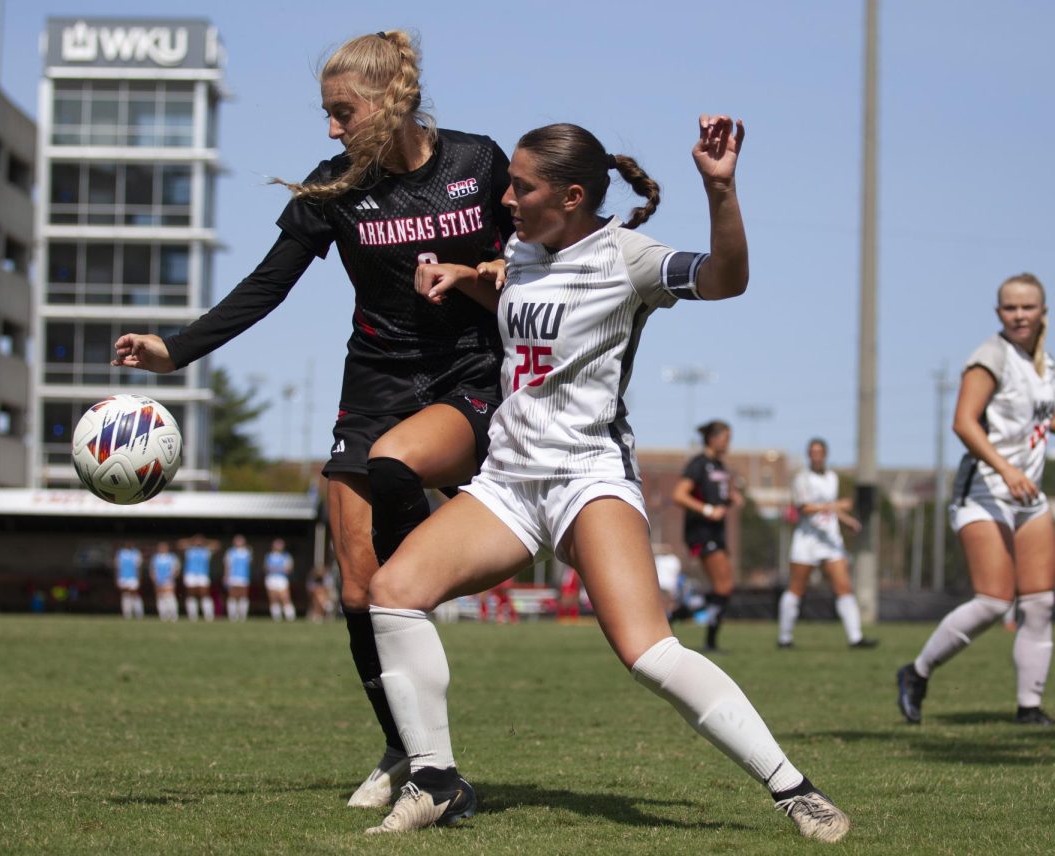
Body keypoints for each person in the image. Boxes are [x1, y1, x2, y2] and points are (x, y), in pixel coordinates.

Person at [365, 119, 848, 842]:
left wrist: (721, 191)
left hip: (587, 475)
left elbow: (727, 280)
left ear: (573, 194)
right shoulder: (522, 250)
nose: (507, 198)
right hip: (508, 480)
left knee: (648, 652)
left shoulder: (628, 257)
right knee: (393, 594)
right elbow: (526, 317)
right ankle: (436, 781)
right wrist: (469, 278)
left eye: (521, 186)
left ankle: (794, 789)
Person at [112, 30, 512, 808]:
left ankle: (463, 544)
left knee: (399, 473)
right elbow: (267, 286)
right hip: (375, 381)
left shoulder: (477, 163)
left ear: (390, 101)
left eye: (342, 111)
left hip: (468, 372)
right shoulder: (334, 190)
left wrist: (492, 272)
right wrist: (176, 350)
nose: (331, 128)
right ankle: (408, 749)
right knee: (358, 584)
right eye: (327, 113)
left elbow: (529, 258)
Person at [898, 273, 1055, 726]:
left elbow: (1037, 427)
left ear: (1043, 312)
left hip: (1029, 494)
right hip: (985, 490)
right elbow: (964, 423)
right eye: (1011, 308)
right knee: (993, 601)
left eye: (1028, 307)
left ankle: (1029, 708)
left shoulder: (1043, 366)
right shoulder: (992, 356)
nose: (1020, 315)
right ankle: (916, 673)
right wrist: (1006, 469)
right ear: (998, 313)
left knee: (1041, 602)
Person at [777, 438, 876, 649]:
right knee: (796, 588)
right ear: (808, 455)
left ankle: (855, 638)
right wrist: (836, 504)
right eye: (812, 452)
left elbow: (831, 509)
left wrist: (847, 520)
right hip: (807, 539)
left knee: (844, 587)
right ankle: (784, 638)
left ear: (825, 454)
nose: (816, 455)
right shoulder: (802, 478)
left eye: (819, 452)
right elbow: (803, 508)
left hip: (830, 540)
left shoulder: (832, 478)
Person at [672, 420, 744, 651]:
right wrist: (707, 510)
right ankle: (677, 617)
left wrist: (732, 497)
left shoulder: (720, 466)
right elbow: (679, 495)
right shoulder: (698, 464)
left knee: (724, 587)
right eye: (726, 438)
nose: (728, 443)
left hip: (716, 532)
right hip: (700, 532)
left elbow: (719, 495)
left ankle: (699, 632)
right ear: (713, 438)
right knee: (724, 586)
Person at [178, 535, 220, 621]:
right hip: (191, 575)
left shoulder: (206, 551)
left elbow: (217, 545)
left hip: (202, 575)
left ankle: (208, 616)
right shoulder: (189, 551)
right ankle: (192, 616)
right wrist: (192, 540)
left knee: (205, 595)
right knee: (191, 595)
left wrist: (204, 541)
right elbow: (179, 544)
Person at [263, 537, 296, 622]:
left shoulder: (286, 556)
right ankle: (276, 617)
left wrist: (278, 569)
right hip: (271, 578)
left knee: (285, 597)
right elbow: (265, 568)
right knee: (273, 598)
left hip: (281, 578)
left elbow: (289, 569)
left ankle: (290, 617)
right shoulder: (269, 556)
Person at [223, 535, 253, 621]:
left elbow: (249, 563)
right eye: (237, 540)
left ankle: (242, 616)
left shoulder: (247, 552)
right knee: (232, 596)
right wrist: (226, 576)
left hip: (244, 577)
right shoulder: (230, 552)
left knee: (243, 596)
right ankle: (233, 616)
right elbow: (227, 565)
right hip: (233, 577)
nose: (239, 542)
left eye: (240, 540)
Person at [149, 542, 180, 622]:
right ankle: (163, 615)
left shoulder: (172, 557)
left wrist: (171, 577)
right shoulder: (155, 558)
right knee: (160, 597)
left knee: (169, 596)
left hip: (168, 579)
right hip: (158, 580)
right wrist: (154, 578)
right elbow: (152, 569)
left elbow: (176, 569)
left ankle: (173, 614)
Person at [114, 541, 144, 619]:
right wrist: (117, 578)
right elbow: (118, 567)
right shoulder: (120, 553)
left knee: (134, 595)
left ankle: (138, 613)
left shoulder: (136, 553)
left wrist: (139, 578)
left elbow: (138, 567)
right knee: (125, 595)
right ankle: (127, 614)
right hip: (123, 577)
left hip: (133, 577)